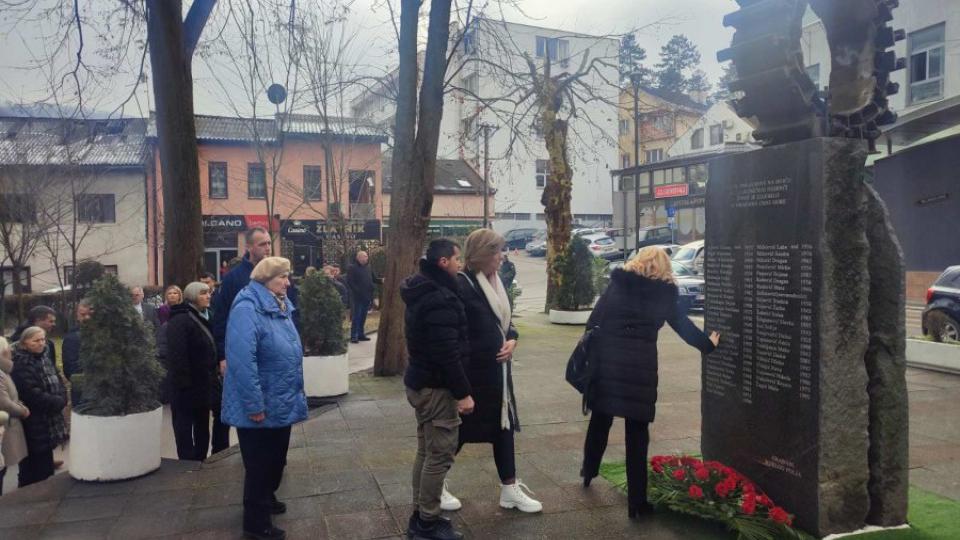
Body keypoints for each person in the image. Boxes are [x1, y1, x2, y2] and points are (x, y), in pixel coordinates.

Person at [580, 246, 719, 518]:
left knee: (600, 420)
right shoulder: (664, 294)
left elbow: (594, 321)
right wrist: (708, 345)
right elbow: (684, 326)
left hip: (609, 363)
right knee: (637, 434)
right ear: (665, 267)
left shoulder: (617, 285)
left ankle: (589, 469)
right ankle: (637, 504)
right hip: (640, 369)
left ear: (638, 262)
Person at [451, 229, 542, 513]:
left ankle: (509, 488)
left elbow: (504, 324)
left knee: (503, 429)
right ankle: (434, 483)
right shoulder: (462, 284)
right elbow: (456, 333)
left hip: (499, 376)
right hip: (474, 375)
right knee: (459, 432)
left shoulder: (497, 281)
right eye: (497, 252)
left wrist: (512, 340)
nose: (502, 257)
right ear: (481, 254)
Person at [222, 257, 306, 540]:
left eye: (287, 276)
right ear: (266, 279)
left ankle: (267, 498)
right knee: (259, 465)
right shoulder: (247, 308)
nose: (288, 282)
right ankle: (256, 524)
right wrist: (253, 404)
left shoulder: (279, 303)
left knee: (275, 458)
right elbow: (243, 361)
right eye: (283, 277)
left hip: (280, 396)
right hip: (261, 401)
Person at [401, 239, 474, 540]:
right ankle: (427, 523)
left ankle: (421, 515)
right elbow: (447, 353)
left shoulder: (424, 288)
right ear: (443, 262)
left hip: (422, 382)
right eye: (457, 259)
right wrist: (463, 393)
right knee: (439, 456)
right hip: (436, 388)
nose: (461, 264)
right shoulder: (439, 297)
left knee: (426, 451)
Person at [166, 282, 218, 461]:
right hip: (186, 388)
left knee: (203, 426)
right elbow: (177, 355)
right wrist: (184, 385)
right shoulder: (181, 320)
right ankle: (188, 464)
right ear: (193, 296)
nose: (208, 296)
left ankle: (201, 459)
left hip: (202, 385)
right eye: (203, 293)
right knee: (185, 429)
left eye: (209, 292)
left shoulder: (202, 316)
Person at [11, 327, 67, 487]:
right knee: (34, 464)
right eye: (36, 340)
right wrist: (57, 402)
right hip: (33, 420)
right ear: (24, 343)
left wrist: (62, 397)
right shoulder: (21, 363)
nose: (41, 343)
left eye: (43, 339)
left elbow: (58, 378)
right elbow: (32, 394)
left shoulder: (45, 358)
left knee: (46, 461)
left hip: (47, 419)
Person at [0, 337, 29, 495]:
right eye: (8, 349)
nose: (11, 351)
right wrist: (22, 410)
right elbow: (4, 402)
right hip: (5, 425)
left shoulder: (5, 371)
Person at [62, 299, 93, 406]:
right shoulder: (72, 338)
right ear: (77, 315)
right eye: (83, 314)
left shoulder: (108, 334)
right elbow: (70, 370)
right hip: (83, 394)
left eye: (90, 314)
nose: (87, 318)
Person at [10, 305, 58, 372]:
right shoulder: (18, 344)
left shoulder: (49, 343)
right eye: (50, 321)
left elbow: (52, 368)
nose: (54, 324)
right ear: (38, 320)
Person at [347, 251, 375, 343]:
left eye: (367, 256)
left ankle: (361, 334)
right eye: (364, 256)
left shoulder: (368, 267)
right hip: (358, 297)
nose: (366, 258)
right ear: (358, 258)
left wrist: (382, 280)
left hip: (367, 296)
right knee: (357, 316)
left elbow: (373, 278)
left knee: (363, 316)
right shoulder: (352, 268)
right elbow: (350, 282)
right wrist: (357, 291)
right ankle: (353, 336)